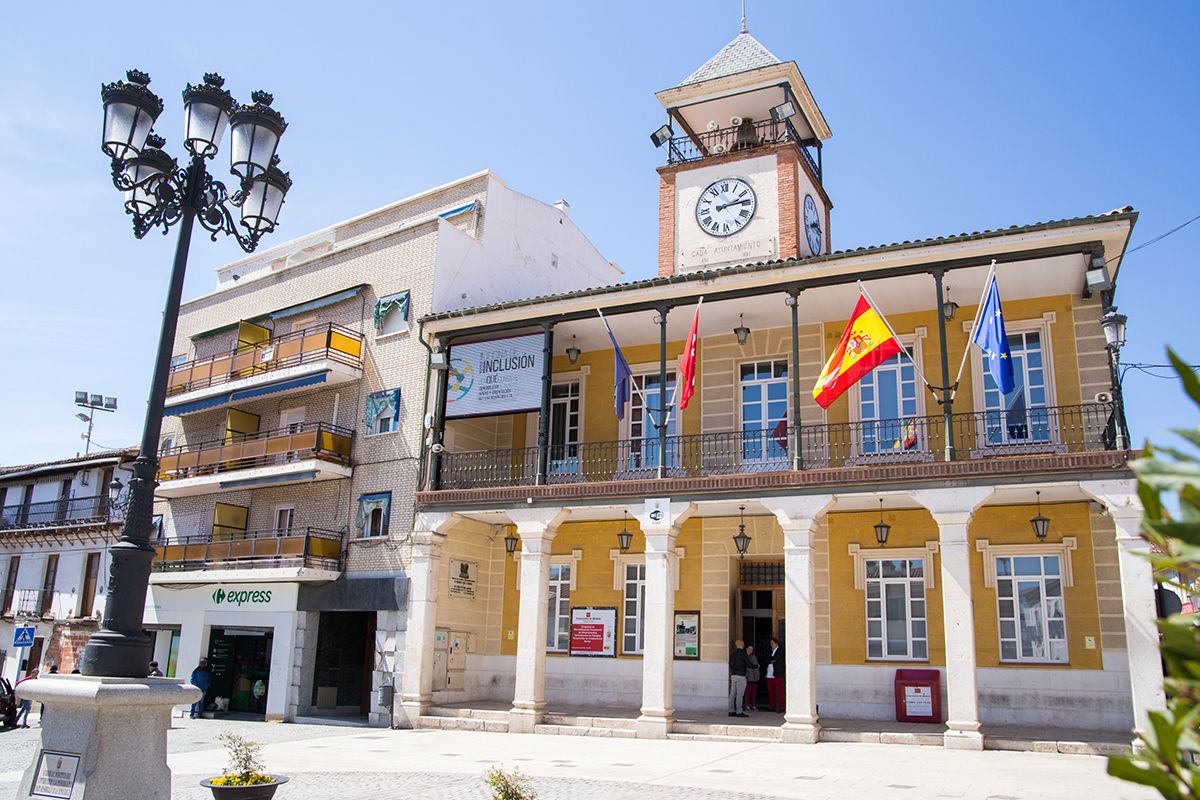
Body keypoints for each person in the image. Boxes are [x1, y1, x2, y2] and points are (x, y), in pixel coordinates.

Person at [728, 639, 749, 718]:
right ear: (741, 645)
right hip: (741, 676)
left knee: (732, 694)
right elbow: (749, 663)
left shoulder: (732, 654)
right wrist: (756, 666)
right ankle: (739, 711)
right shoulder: (743, 654)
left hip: (733, 675)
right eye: (743, 644)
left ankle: (731, 710)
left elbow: (730, 664)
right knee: (739, 695)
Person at [764, 637, 785, 712]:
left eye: (772, 643)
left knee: (779, 691)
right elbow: (767, 659)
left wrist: (772, 659)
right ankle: (772, 706)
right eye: (770, 643)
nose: (771, 644)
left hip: (778, 673)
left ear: (776, 643)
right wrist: (772, 659)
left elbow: (777, 658)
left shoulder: (781, 650)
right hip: (769, 672)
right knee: (771, 691)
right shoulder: (769, 651)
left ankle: (781, 707)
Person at [743, 645, 760, 712]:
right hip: (747, 678)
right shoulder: (744, 656)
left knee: (753, 692)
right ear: (746, 649)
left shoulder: (754, 657)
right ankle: (746, 705)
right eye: (749, 649)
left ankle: (753, 705)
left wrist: (757, 676)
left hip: (754, 678)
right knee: (747, 692)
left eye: (751, 649)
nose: (750, 650)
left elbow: (757, 667)